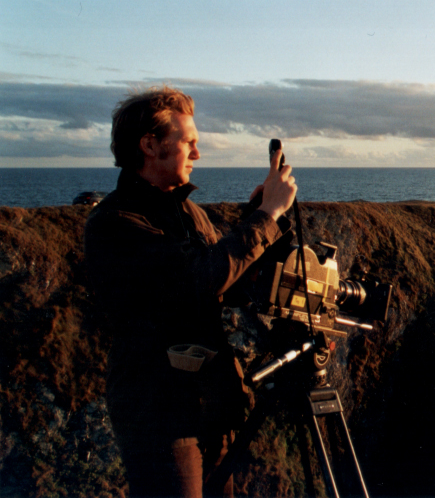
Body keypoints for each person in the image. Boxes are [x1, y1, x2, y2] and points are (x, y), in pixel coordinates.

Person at [84, 86, 298, 498]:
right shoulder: (114, 222)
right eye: (189, 143)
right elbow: (195, 281)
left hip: (209, 404)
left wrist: (258, 217)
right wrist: (268, 215)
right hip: (158, 412)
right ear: (150, 145)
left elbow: (226, 277)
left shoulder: (189, 212)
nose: (197, 155)